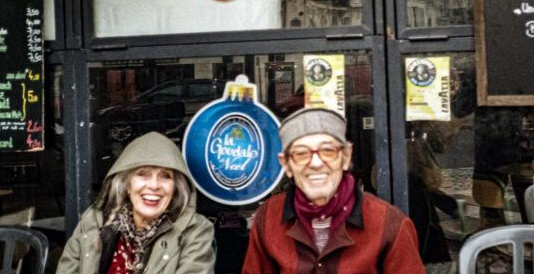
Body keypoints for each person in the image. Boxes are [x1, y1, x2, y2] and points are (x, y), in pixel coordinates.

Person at [242, 108, 425, 273]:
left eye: (328, 151)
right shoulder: (269, 218)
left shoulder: (389, 224)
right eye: (301, 154)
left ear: (345, 157)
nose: (315, 163)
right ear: (286, 165)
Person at [57, 132, 215, 274]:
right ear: (126, 185)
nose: (154, 185)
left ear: (175, 188)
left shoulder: (195, 232)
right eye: (143, 174)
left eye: (165, 176)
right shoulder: (93, 221)